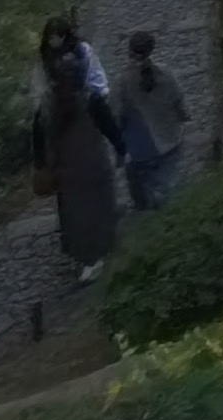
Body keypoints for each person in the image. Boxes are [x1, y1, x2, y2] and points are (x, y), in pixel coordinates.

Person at [28, 45, 125, 285]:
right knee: (100, 209)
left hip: (66, 171)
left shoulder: (46, 107)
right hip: (93, 164)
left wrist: (42, 165)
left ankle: (86, 259)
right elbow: (110, 127)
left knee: (76, 215)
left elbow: (37, 139)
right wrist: (122, 150)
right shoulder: (91, 100)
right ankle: (104, 251)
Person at [117, 29, 190, 211]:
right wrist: (182, 117)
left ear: (129, 51)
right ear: (152, 49)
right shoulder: (166, 74)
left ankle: (148, 214)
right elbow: (179, 104)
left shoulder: (122, 83)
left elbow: (115, 115)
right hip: (170, 139)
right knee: (170, 184)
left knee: (142, 188)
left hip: (141, 149)